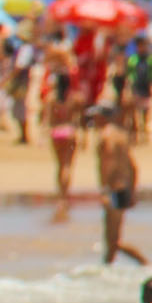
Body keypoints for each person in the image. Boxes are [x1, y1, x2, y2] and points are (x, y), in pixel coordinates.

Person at [92, 105, 148, 266]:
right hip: (123, 188)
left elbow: (109, 163)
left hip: (113, 190)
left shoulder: (106, 136)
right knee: (111, 239)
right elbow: (132, 167)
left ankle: (146, 264)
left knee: (112, 240)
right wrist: (132, 190)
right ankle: (106, 269)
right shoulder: (121, 136)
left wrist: (104, 190)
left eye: (96, 116)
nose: (94, 120)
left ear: (103, 117)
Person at [45, 73, 83, 205]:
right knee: (67, 165)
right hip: (69, 132)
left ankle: (60, 194)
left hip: (56, 133)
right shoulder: (75, 98)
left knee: (60, 165)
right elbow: (80, 119)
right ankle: (65, 195)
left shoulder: (51, 98)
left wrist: (44, 135)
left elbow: (48, 120)